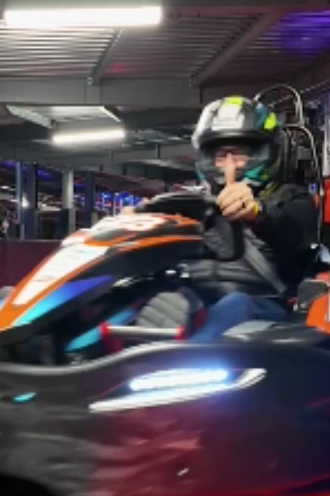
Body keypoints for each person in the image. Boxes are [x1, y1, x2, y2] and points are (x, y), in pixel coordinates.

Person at [126, 96, 319, 340]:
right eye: (220, 156)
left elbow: (291, 228)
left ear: (264, 154)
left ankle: (182, 358)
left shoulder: (291, 198)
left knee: (237, 303)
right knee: (144, 301)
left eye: (239, 155)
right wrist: (134, 224)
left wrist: (255, 212)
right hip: (197, 301)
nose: (229, 165)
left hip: (264, 308)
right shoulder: (192, 204)